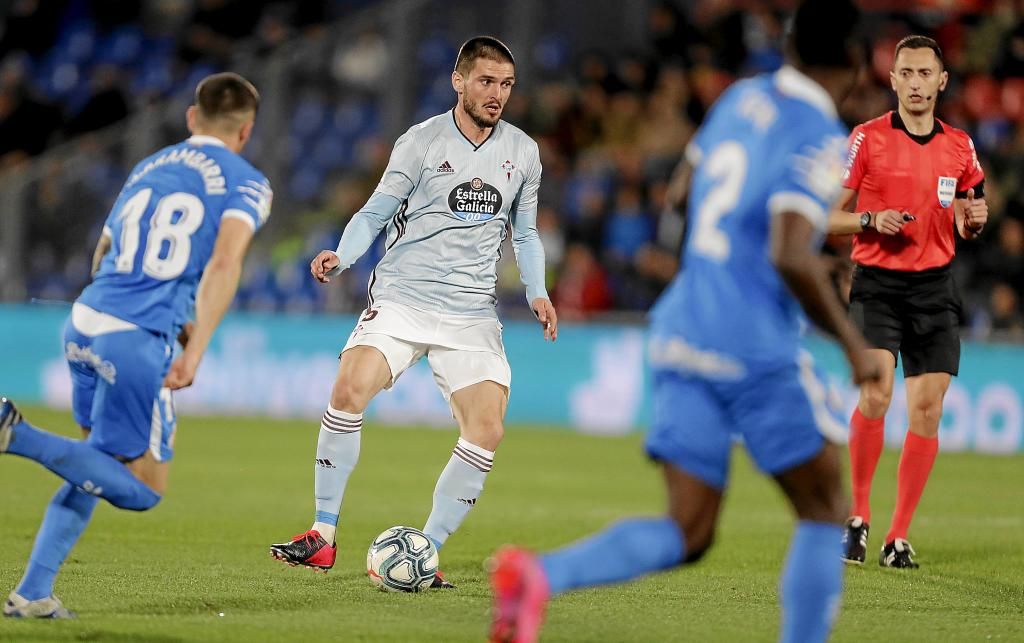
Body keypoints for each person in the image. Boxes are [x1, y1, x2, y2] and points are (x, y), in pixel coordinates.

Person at [488, 1, 882, 641]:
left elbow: (679, 193)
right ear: (857, 62)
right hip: (751, 343)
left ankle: (538, 576)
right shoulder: (819, 132)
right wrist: (854, 344)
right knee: (823, 507)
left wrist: (722, 262)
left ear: (788, 48)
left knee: (689, 528)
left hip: (682, 329)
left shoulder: (740, 98)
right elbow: (789, 252)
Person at [269, 36, 556, 588]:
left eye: (506, 85)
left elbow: (524, 233)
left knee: (487, 428)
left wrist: (537, 292)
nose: (496, 94)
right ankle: (322, 534)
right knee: (349, 388)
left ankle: (426, 550)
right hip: (404, 297)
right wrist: (343, 255)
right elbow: (376, 211)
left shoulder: (523, 152)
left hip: (471, 311)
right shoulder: (421, 142)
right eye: (486, 81)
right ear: (459, 81)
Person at [0, 72, 270, 618]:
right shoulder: (247, 182)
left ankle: (32, 594)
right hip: (137, 338)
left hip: (86, 317)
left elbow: (103, 249)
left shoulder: (151, 165)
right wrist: (194, 349)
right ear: (245, 131)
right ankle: (15, 432)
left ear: (192, 118)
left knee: (94, 463)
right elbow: (224, 263)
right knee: (141, 489)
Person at [827, 36, 988, 569]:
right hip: (876, 283)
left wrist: (973, 221)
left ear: (942, 81)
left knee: (927, 409)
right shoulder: (867, 138)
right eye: (907, 73)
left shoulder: (960, 147)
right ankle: (857, 517)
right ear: (892, 80)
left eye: (925, 73)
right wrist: (871, 219)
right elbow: (826, 214)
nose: (916, 83)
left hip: (934, 288)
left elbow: (967, 213)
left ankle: (897, 537)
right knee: (876, 393)